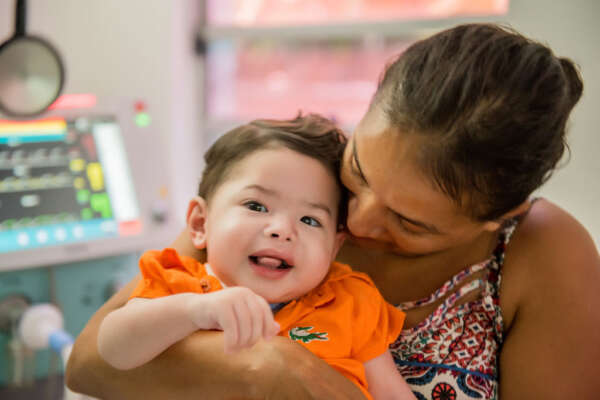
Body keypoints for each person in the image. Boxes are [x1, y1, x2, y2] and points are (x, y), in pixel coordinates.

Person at [66, 23, 600, 400]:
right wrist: (265, 367)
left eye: (410, 222)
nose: (359, 223)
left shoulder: (543, 251)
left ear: (500, 215)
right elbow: (90, 364)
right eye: (360, 171)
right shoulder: (296, 178)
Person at [95, 115, 415, 400]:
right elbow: (113, 348)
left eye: (310, 220)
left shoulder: (351, 301)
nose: (281, 230)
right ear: (200, 223)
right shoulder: (177, 284)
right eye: (256, 206)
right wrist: (195, 311)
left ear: (333, 247)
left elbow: (391, 393)